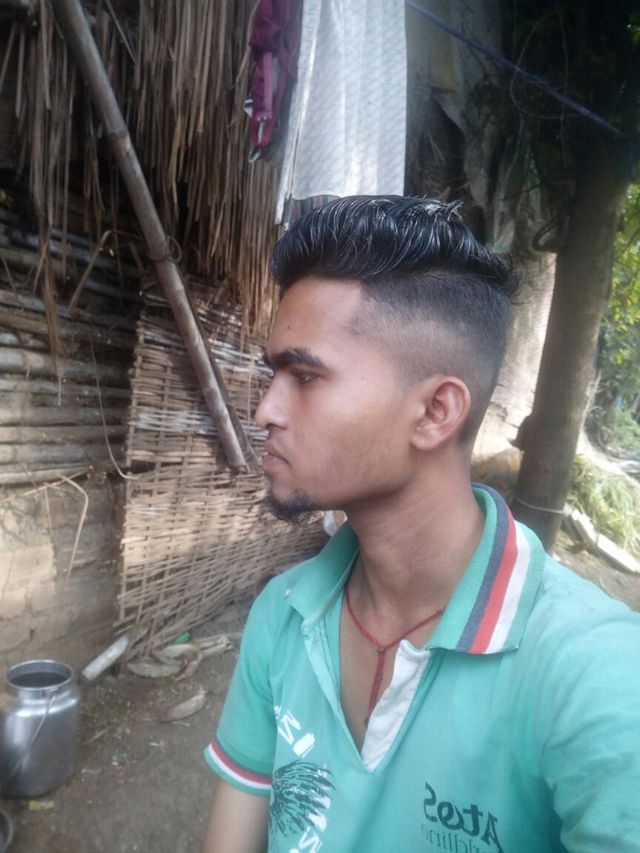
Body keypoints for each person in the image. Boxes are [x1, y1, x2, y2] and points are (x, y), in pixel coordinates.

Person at [202, 196, 640, 853]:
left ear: (437, 411)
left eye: (305, 376)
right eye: (275, 375)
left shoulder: (594, 676)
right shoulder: (283, 614)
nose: (265, 410)